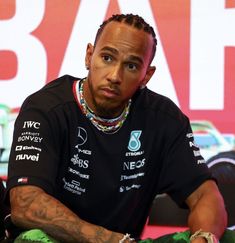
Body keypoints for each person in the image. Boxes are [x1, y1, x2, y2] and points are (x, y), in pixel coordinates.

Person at [5, 13, 229, 242]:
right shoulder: (46, 108)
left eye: (131, 66)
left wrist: (204, 238)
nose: (114, 76)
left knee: (225, 238)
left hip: (126, 241)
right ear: (89, 56)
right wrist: (111, 240)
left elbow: (205, 195)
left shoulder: (165, 120)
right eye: (107, 58)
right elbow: (26, 202)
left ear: (146, 75)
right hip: (59, 239)